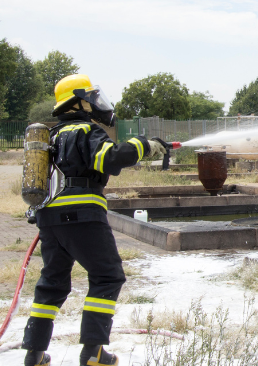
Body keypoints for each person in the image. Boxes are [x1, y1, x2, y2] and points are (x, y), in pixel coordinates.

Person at [22, 74, 167, 366]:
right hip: (82, 214)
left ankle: (34, 353)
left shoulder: (53, 135)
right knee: (107, 275)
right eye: (90, 97)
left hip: (50, 218)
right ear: (78, 102)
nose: (96, 103)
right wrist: (145, 146)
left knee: (52, 282)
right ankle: (94, 352)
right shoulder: (86, 130)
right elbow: (109, 159)